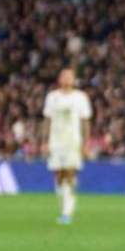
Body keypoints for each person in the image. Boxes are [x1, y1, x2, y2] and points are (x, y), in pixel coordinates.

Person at [42, 68, 92, 225]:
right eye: (64, 76)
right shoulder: (52, 97)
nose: (67, 79)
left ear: (74, 80)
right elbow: (47, 120)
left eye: (70, 76)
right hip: (55, 142)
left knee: (70, 173)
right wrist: (44, 141)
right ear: (59, 79)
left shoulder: (80, 97)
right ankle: (64, 203)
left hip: (73, 141)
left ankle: (67, 212)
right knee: (58, 176)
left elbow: (85, 121)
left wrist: (86, 143)